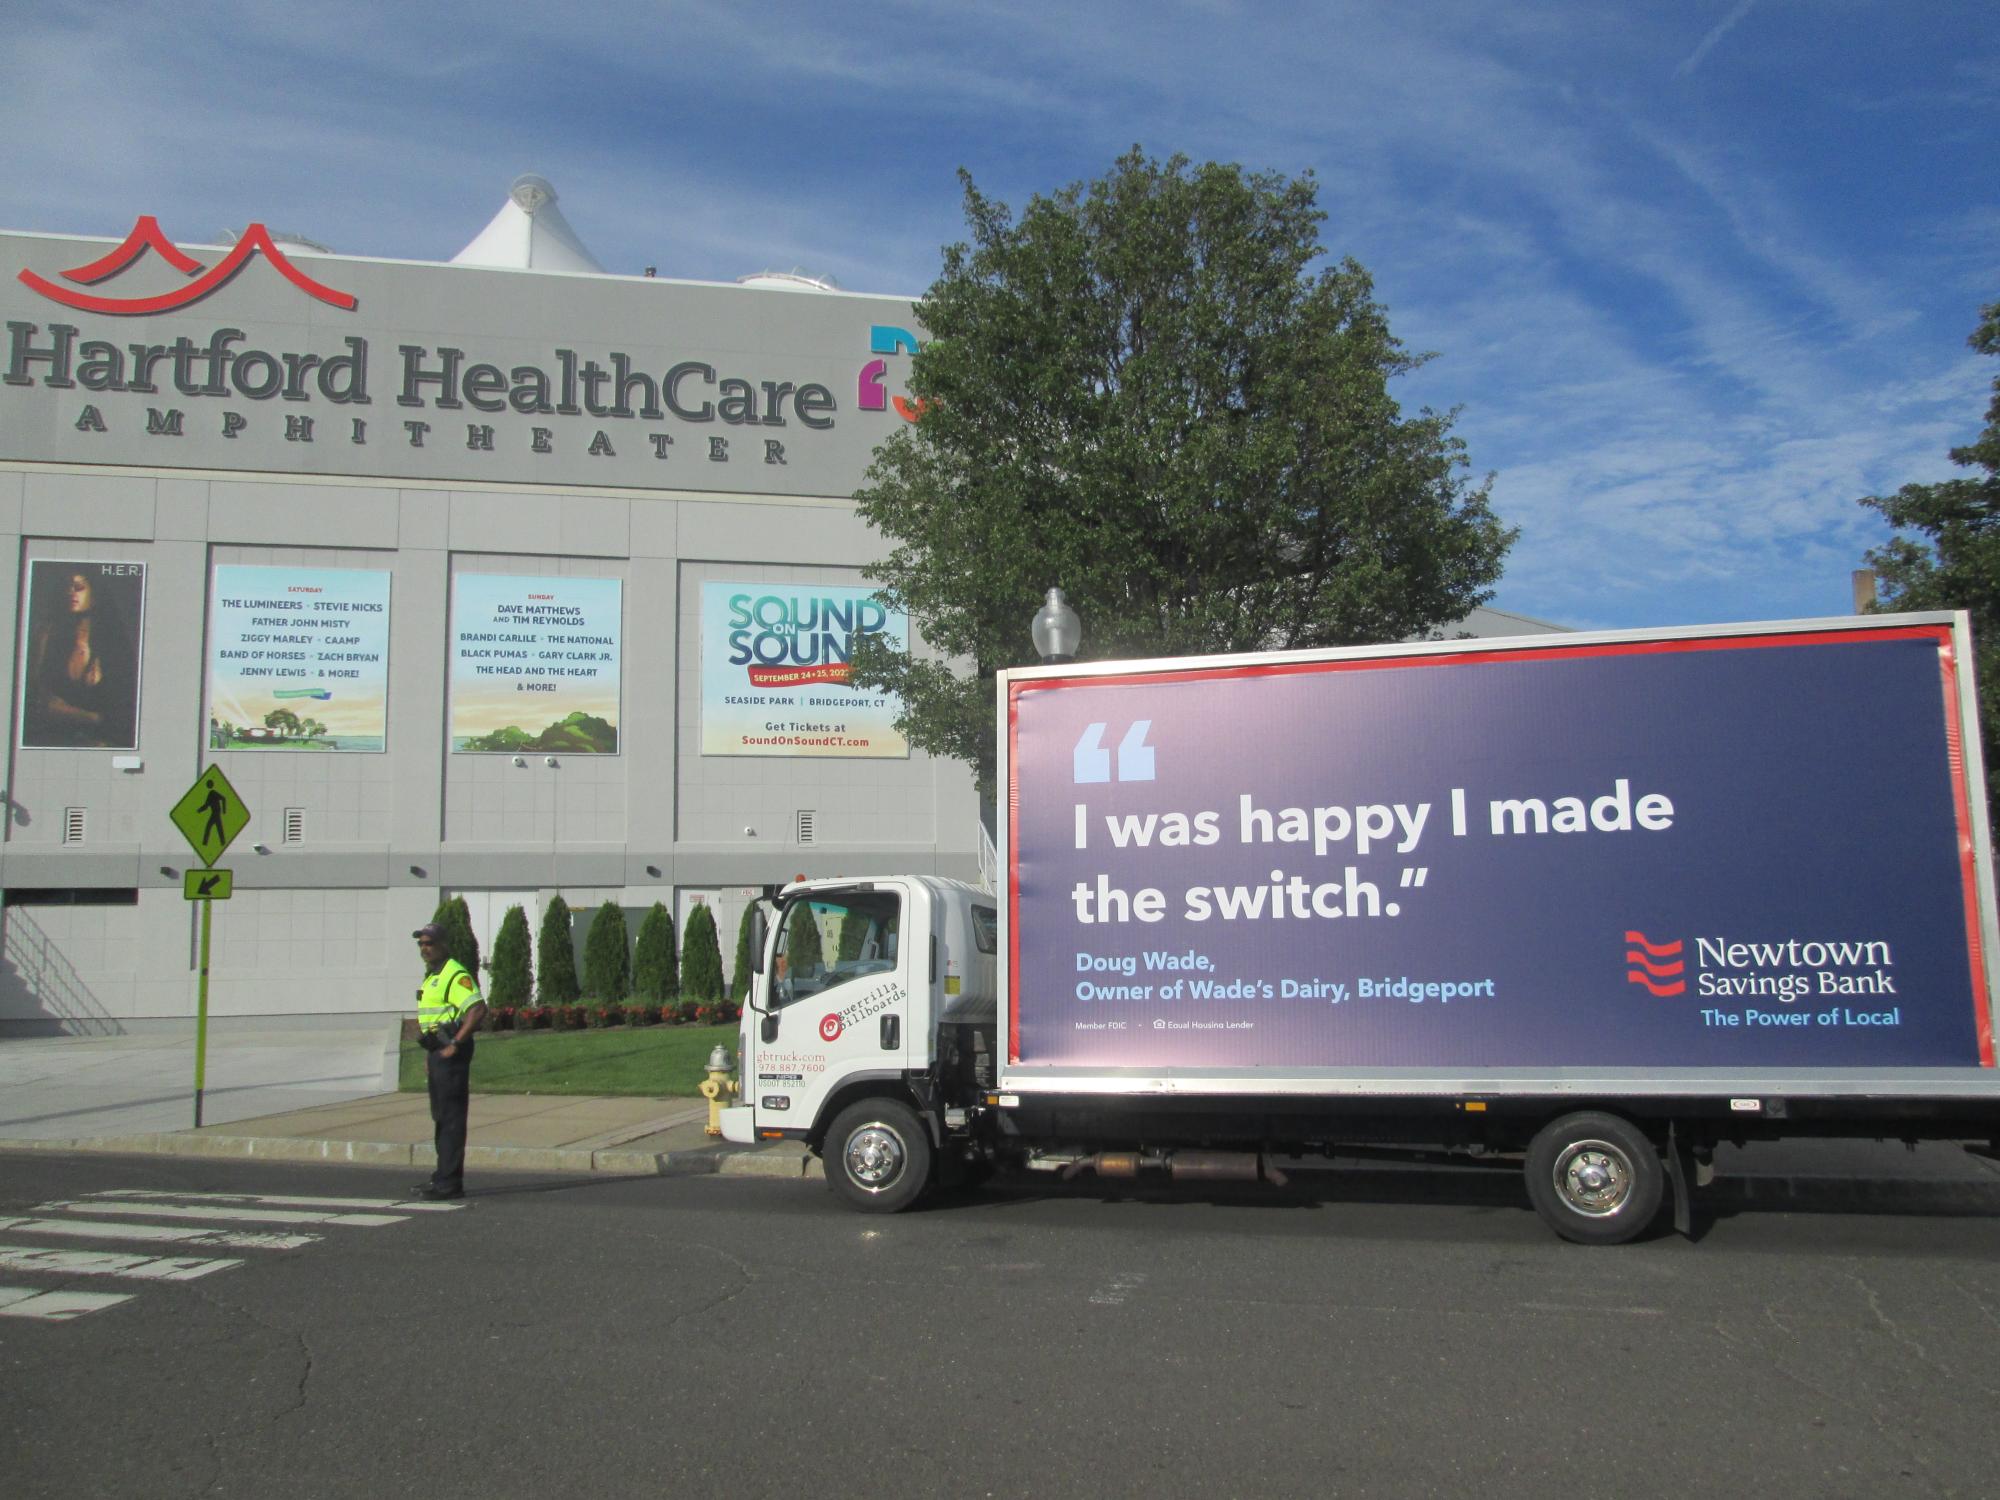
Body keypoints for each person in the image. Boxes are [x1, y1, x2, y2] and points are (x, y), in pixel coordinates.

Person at [22, 567, 139, 748]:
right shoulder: (48, 633)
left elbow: (125, 714)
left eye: (79, 587)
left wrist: (77, 715)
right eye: (67, 586)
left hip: (102, 741)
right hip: (55, 738)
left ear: (95, 593)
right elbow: (35, 700)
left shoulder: (113, 641)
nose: (70, 592)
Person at [411, 922, 486, 1201]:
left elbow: (478, 1010)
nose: (424, 948)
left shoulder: (454, 974)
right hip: (437, 1053)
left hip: (450, 1052)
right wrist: (431, 1056)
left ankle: (449, 1182)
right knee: (441, 1118)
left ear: (443, 944)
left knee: (451, 1120)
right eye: (421, 944)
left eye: (429, 943)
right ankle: (441, 1176)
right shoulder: (434, 976)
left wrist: (455, 1044)